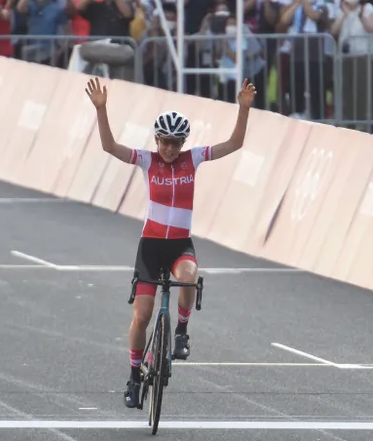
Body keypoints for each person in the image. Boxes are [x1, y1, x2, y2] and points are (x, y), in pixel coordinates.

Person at [84, 76, 256, 409]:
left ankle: (181, 332)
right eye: (165, 142)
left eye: (176, 143)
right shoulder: (147, 160)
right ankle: (134, 376)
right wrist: (101, 110)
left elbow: (234, 144)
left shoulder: (193, 159)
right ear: (157, 140)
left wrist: (243, 110)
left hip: (179, 245)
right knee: (142, 317)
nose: (170, 149)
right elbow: (110, 147)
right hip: (151, 246)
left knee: (190, 275)